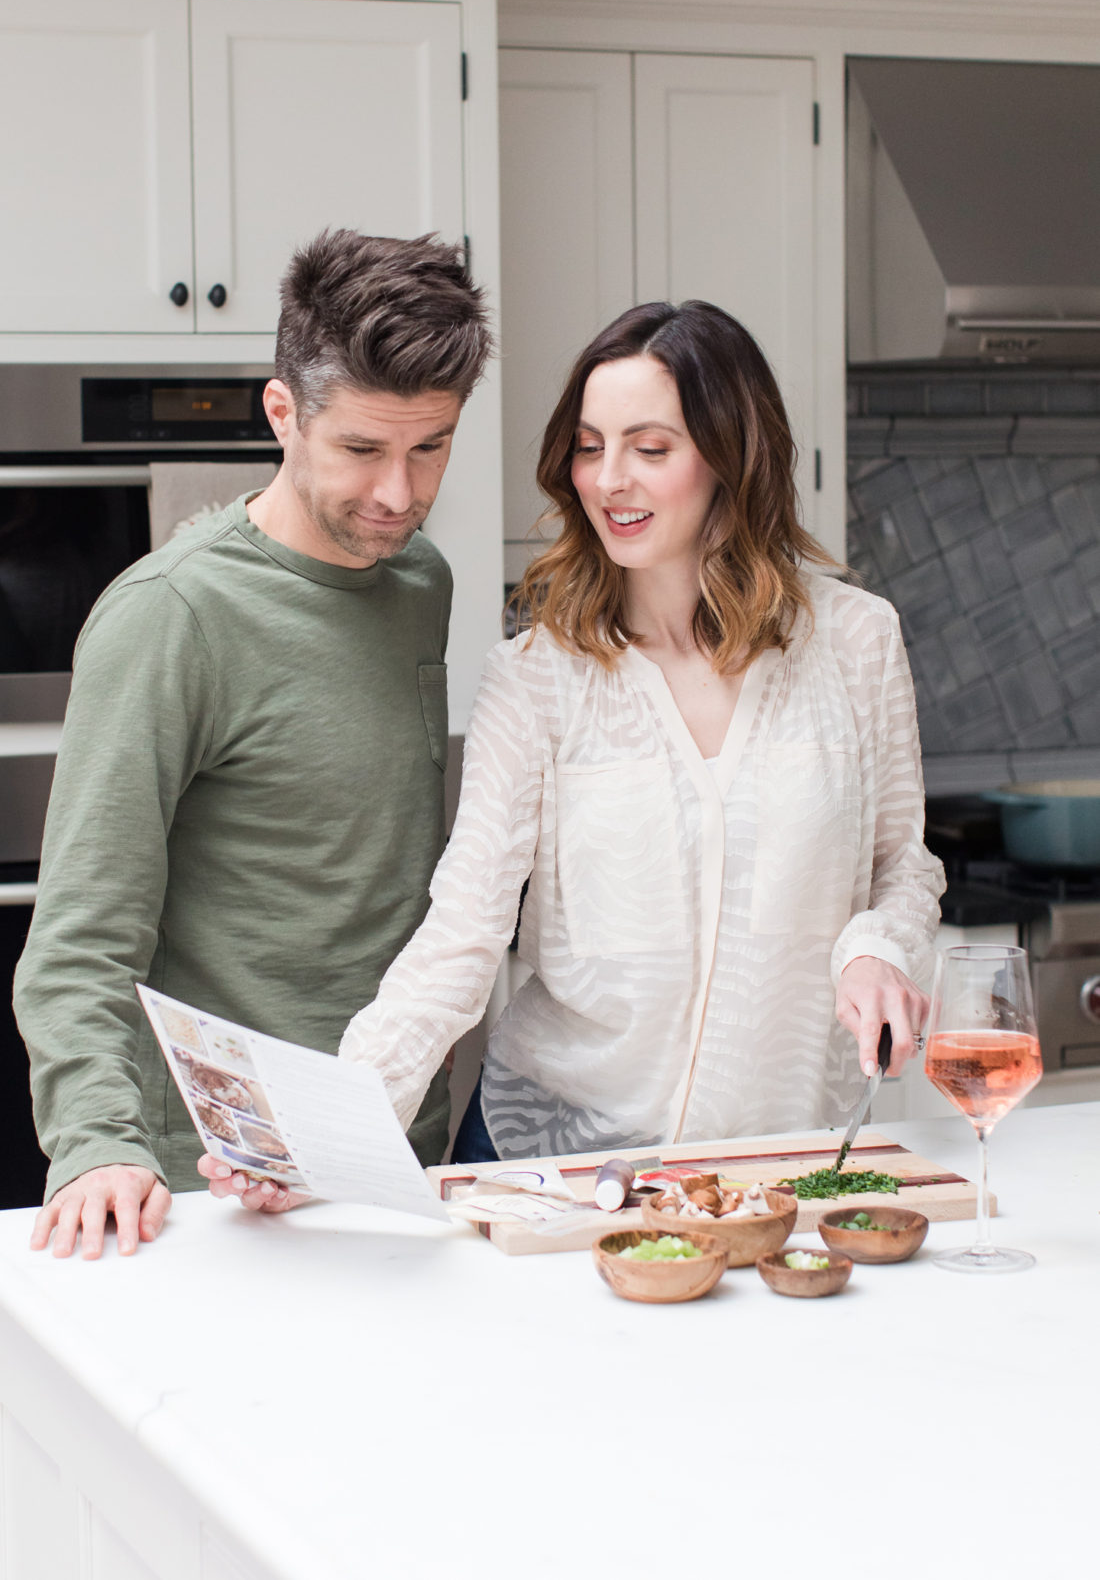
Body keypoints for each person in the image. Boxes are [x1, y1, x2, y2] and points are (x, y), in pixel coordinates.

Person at [208, 297, 944, 1208]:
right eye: (591, 447)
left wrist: (876, 949)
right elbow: (462, 933)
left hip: (780, 1166)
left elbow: (901, 866)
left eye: (651, 447)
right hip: (553, 1165)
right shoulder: (538, 676)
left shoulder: (857, 642)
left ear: (729, 455)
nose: (610, 480)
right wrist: (323, 1134)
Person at [15, 227, 492, 1255]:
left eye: (431, 446)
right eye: (362, 449)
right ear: (282, 413)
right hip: (212, 1186)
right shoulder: (172, 616)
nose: (399, 494)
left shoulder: (419, 583)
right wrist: (97, 1143)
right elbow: (78, 940)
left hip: (393, 1154)